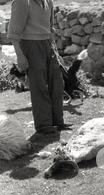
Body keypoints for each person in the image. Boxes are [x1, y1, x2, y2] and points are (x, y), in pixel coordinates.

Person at [7, 0, 71, 134]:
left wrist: (56, 52)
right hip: (31, 46)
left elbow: (50, 28)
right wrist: (20, 56)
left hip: (48, 44)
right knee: (39, 85)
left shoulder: (48, 1)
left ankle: (57, 122)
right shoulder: (22, 2)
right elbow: (13, 33)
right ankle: (44, 126)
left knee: (57, 83)